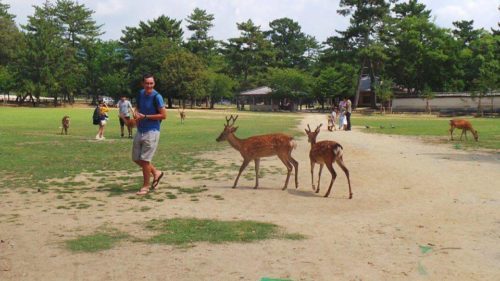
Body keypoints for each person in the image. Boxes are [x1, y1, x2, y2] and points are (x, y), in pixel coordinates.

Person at [133, 74, 167, 195]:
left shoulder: (157, 97)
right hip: (140, 130)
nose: (149, 86)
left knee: (145, 160)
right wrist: (136, 113)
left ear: (154, 84)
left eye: (151, 83)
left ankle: (146, 186)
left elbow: (164, 115)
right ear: (143, 83)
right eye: (147, 83)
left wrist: (146, 116)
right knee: (136, 159)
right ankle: (156, 173)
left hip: (152, 131)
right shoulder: (140, 93)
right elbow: (137, 107)